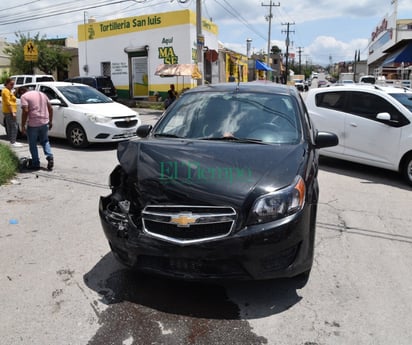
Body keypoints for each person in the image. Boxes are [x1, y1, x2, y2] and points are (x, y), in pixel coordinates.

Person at [19, 86, 54, 171]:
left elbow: (25, 111)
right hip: (44, 122)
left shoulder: (24, 96)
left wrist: (22, 125)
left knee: (33, 144)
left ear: (22, 91)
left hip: (33, 124)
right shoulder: (42, 94)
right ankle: (50, 157)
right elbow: (51, 108)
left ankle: (35, 164)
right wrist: (50, 121)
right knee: (45, 141)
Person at [2, 78, 23, 147]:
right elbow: (8, 102)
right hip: (9, 111)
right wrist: (12, 112)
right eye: (11, 84)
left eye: (13, 84)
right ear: (7, 84)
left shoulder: (9, 91)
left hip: (10, 110)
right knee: (14, 126)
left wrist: (15, 91)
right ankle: (13, 141)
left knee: (11, 126)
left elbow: (12, 98)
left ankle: (12, 141)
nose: (12, 86)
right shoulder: (5, 91)